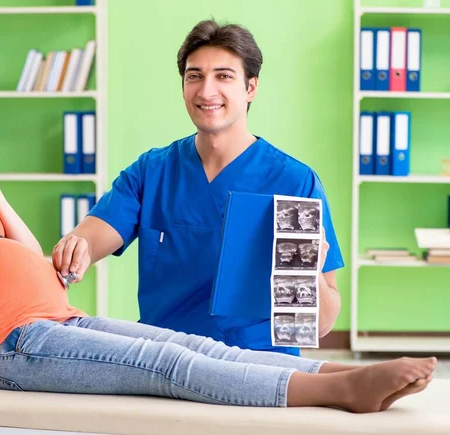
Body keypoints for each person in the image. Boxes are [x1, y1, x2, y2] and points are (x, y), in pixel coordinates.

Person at [0, 67, 435, 413]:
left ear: (250, 88)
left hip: (62, 321)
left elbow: (28, 259)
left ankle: (341, 375)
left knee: (206, 351)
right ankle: (344, 392)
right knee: (167, 364)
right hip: (14, 346)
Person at [52, 19, 343, 356]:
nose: (206, 91)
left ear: (250, 88)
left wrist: (308, 275)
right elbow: (92, 237)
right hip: (165, 363)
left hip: (258, 367)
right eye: (194, 76)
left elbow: (320, 324)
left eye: (224, 76)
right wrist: (76, 248)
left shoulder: (292, 182)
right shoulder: (153, 171)